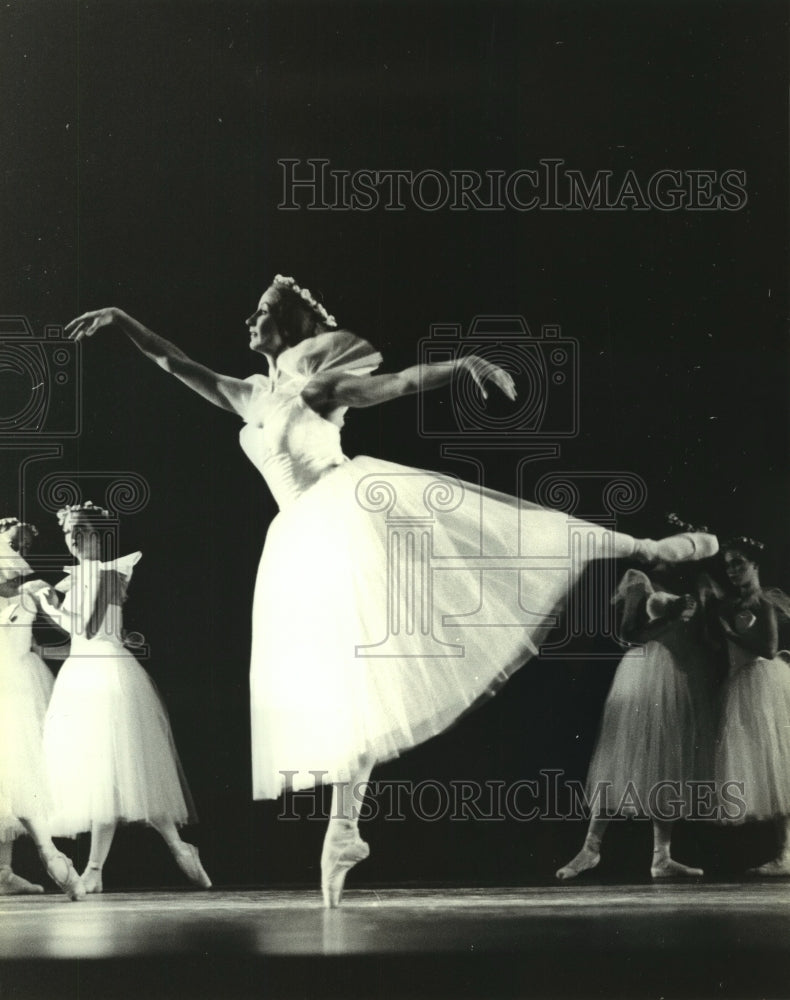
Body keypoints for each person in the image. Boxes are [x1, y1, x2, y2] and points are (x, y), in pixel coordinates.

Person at [66, 275, 718, 906]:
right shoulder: (250, 393)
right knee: (342, 683)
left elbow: (401, 382)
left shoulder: (320, 387)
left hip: (345, 512)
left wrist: (463, 365)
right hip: (298, 537)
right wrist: (123, 321)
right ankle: (345, 828)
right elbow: (176, 364)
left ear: (289, 327)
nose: (248, 320)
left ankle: (644, 548)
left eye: (261, 311)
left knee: (496, 543)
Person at [40, 502, 211, 893]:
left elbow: (88, 628)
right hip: (81, 676)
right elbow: (75, 645)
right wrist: (36, 651)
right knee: (100, 776)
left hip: (109, 676)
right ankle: (104, 868)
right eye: (69, 532)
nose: (74, 539)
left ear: (98, 534)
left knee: (122, 772)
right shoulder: (72, 580)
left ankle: (171, 849)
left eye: (81, 530)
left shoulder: (113, 572)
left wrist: (47, 607)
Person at [556, 563, 717, 881]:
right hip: (644, 671)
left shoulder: (687, 582)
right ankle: (590, 848)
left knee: (663, 760)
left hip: (674, 673)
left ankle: (662, 857)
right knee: (622, 756)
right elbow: (626, 634)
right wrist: (671, 618)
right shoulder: (639, 580)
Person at [0, 518, 85, 901]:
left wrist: (85, 651)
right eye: (12, 542)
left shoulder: (34, 588)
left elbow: (69, 628)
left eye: (24, 545)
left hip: (20, 682)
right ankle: (29, 860)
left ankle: (10, 868)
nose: (19, 550)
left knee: (20, 771)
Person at [708, 537, 790, 876]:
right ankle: (783, 852)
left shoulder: (764, 603)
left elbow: (769, 649)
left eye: (739, 562)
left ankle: (786, 853)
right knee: (764, 767)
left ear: (755, 565)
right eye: (728, 564)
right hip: (740, 683)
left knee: (779, 764)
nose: (733, 570)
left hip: (763, 682)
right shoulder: (730, 603)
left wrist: (731, 633)